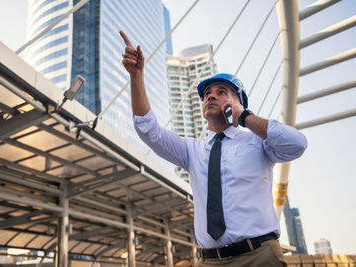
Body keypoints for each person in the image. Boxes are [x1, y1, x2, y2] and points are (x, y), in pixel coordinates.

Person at [119, 30, 307, 267]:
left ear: (239, 102)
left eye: (221, 92)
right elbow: (148, 129)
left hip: (261, 256)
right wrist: (136, 76)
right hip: (210, 261)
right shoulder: (192, 151)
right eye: (207, 94)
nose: (210, 97)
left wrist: (244, 117)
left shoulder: (259, 143)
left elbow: (297, 144)